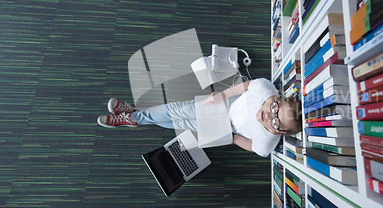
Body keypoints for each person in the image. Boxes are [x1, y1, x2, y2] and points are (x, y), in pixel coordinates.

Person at [97, 78, 302, 157]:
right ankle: (136, 117)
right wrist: (222, 95)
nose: (267, 114)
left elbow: (250, 145)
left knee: (180, 122)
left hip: (227, 129)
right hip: (225, 105)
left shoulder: (267, 144)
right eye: (275, 106)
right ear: (278, 99)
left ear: (281, 132)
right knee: (175, 109)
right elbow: (247, 86)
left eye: (275, 121)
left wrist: (229, 137)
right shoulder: (266, 88)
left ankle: (134, 117)